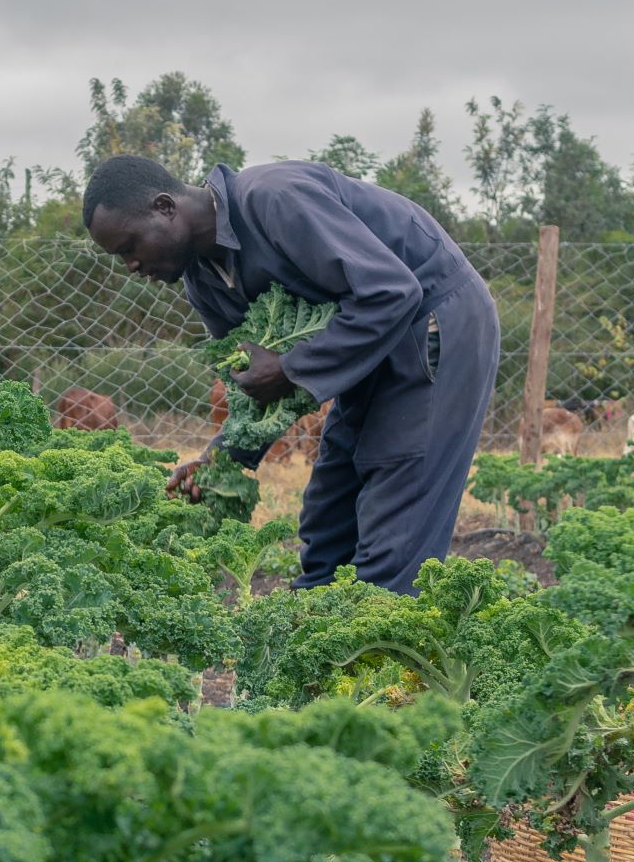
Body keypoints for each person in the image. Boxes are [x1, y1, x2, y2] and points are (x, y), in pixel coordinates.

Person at [82, 153, 499, 593]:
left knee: (395, 523)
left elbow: (392, 292)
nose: (130, 265)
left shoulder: (273, 198)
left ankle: (385, 650)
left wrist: (291, 369)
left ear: (165, 207)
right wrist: (222, 458)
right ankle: (314, 647)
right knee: (328, 521)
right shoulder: (203, 282)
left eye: (129, 246)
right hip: (365, 346)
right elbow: (256, 385)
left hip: (433, 319)